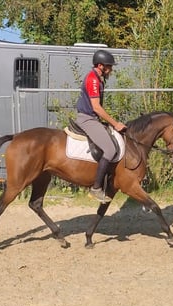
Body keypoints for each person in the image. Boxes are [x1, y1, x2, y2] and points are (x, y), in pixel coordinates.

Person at [74, 50, 127, 203]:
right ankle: (96, 188)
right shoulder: (93, 80)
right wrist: (115, 123)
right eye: (109, 66)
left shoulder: (98, 78)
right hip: (87, 119)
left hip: (92, 118)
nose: (111, 69)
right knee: (110, 149)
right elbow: (96, 107)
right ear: (100, 66)